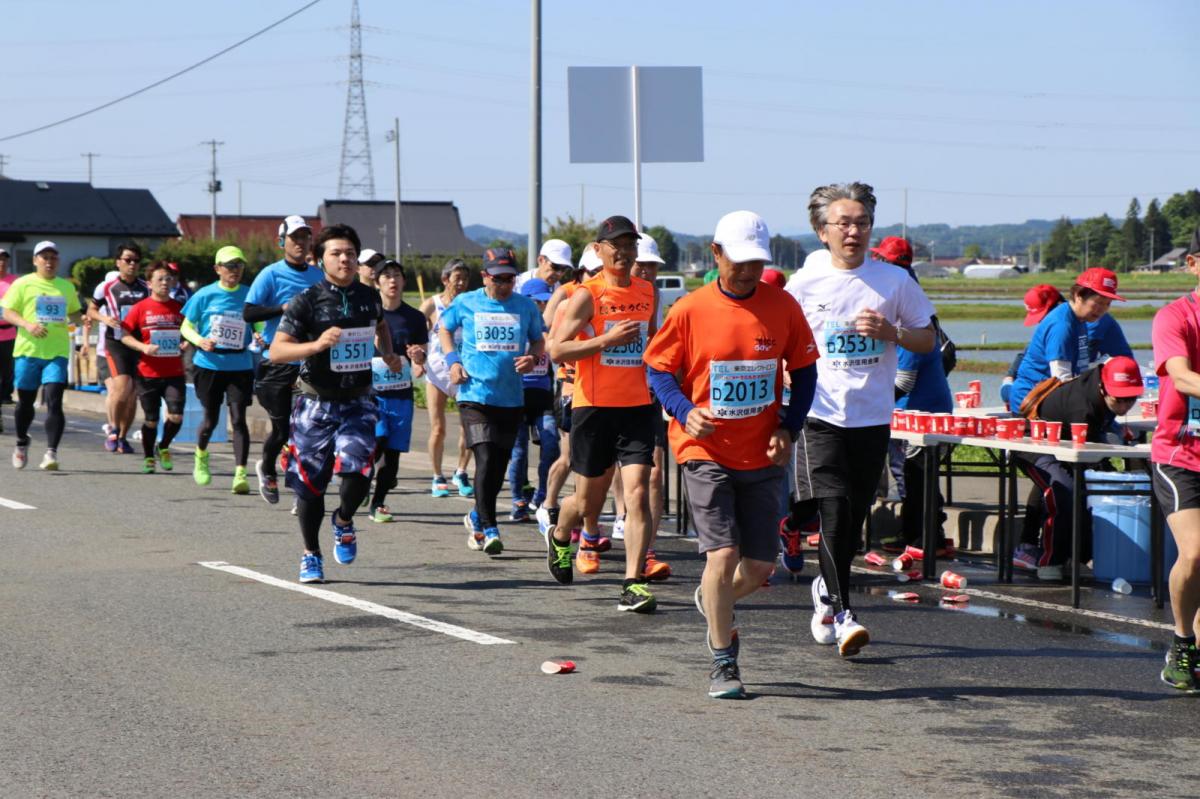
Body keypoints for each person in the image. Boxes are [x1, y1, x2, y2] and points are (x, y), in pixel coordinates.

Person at [646, 210, 818, 698]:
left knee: (761, 568)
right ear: (716, 254)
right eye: (738, 261)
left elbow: (804, 373)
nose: (747, 271)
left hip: (763, 451)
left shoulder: (782, 305)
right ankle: (724, 662)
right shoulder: (689, 310)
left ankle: (712, 597)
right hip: (704, 449)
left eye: (756, 263)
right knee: (722, 553)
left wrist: (788, 427)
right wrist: (684, 410)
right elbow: (658, 371)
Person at [784, 182, 936, 657]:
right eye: (843, 224)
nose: (854, 232)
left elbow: (928, 341)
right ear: (821, 231)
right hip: (820, 414)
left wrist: (892, 332)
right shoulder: (803, 283)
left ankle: (826, 595)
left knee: (852, 519)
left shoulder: (894, 282)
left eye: (862, 223)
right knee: (832, 511)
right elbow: (780, 341)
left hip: (872, 417)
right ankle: (846, 612)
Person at [270, 223, 401, 584]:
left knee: (358, 471)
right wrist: (315, 346)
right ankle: (311, 553)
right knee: (310, 485)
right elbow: (277, 350)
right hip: (316, 403)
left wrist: (387, 353)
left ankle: (343, 520)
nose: (344, 259)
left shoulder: (368, 297)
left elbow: (381, 326)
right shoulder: (306, 301)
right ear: (320, 259)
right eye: (336, 253)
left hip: (358, 401)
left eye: (350, 253)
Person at [546, 215, 659, 613]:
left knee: (639, 491)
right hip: (593, 408)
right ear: (599, 250)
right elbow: (557, 350)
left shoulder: (648, 290)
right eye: (617, 246)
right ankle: (562, 534)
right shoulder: (586, 296)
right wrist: (607, 340)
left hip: (638, 407)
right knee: (586, 502)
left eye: (631, 246)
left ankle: (633, 582)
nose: (625, 253)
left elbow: (653, 342)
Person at [439, 248, 545, 555]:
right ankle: (489, 526)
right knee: (484, 457)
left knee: (498, 466)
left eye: (510, 278)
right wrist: (453, 361)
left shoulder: (525, 306)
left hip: (511, 398)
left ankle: (475, 515)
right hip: (474, 394)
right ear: (485, 276)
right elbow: (445, 328)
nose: (505, 284)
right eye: (498, 278)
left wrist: (532, 356)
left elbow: (538, 338)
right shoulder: (467, 302)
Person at [1015, 356, 1144, 581]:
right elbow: (1091, 461)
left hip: (1064, 445)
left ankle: (1079, 556)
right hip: (1031, 442)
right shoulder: (1083, 407)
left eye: (1130, 399)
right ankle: (1050, 561)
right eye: (1119, 400)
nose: (1124, 407)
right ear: (1103, 388)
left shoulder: (1099, 388)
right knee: (1065, 490)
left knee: (1073, 485)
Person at [870, 238, 954, 556]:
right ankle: (914, 534)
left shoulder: (907, 305)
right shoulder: (900, 293)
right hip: (908, 410)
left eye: (881, 260)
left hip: (920, 411)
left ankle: (927, 538)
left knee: (914, 476)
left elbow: (904, 380)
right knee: (908, 474)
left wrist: (870, 400)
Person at [1150, 229, 1200, 692]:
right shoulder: (1175, 316)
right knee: (1197, 551)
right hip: (1180, 452)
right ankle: (1182, 643)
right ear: (1193, 264)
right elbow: (1181, 377)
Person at [244, 215, 323, 505]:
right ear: (282, 242)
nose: (301, 243)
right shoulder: (271, 274)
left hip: (309, 362)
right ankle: (266, 468)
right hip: (276, 362)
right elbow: (248, 313)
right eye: (295, 238)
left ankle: (301, 489)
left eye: (305, 237)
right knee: (282, 429)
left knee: (307, 428)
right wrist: (283, 308)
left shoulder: (318, 277)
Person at [1, 241, 82, 470]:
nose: (49, 261)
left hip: (56, 352)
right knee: (25, 403)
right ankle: (21, 441)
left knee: (55, 401)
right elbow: (7, 311)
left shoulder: (65, 287)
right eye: (44, 257)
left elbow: (74, 312)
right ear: (35, 260)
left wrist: (80, 319)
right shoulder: (22, 284)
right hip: (28, 351)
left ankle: (51, 453)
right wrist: (27, 324)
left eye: (53, 257)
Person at [181, 246, 255, 493]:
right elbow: (186, 327)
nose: (235, 270)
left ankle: (240, 474)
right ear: (217, 269)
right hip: (209, 364)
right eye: (229, 265)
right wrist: (200, 340)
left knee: (238, 418)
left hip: (240, 364)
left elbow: (261, 324)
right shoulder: (204, 295)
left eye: (239, 265)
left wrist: (261, 336)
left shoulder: (250, 295)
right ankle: (201, 455)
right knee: (211, 419)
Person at [1009, 268, 1127, 415]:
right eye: (1098, 303)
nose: (1102, 309)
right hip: (1033, 401)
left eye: (1107, 304)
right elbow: (1061, 380)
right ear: (1078, 295)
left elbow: (1080, 369)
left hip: (1051, 397)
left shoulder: (1081, 319)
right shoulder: (1062, 325)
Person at [367, 259, 427, 523]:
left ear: (404, 281)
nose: (392, 280)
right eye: (386, 276)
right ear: (377, 281)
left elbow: (420, 361)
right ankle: (359, 483)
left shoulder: (414, 317)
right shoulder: (368, 313)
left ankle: (377, 503)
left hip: (401, 394)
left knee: (392, 456)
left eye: (397, 276)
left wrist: (418, 356)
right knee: (376, 441)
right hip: (371, 393)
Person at [117, 262, 186, 474]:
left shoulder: (179, 307)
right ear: (149, 283)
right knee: (151, 420)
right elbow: (125, 335)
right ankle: (148, 456)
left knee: (176, 416)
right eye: (160, 279)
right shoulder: (140, 308)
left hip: (174, 371)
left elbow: (189, 332)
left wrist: (186, 343)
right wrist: (143, 347)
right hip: (148, 373)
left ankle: (163, 446)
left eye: (168, 279)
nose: (165, 283)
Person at [420, 259, 475, 498]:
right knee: (438, 428)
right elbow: (413, 328)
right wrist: (416, 357)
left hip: (464, 373)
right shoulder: (432, 305)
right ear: (445, 280)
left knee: (469, 428)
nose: (461, 283)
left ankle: (461, 472)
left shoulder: (471, 304)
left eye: (464, 278)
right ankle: (437, 475)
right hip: (437, 373)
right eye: (456, 278)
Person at [506, 278, 559, 522]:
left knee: (551, 445)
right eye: (537, 300)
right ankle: (517, 500)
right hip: (517, 397)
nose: (540, 305)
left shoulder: (547, 330)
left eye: (544, 301)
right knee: (518, 452)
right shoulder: (515, 327)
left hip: (543, 399)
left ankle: (541, 496)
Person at [88, 243, 149, 453]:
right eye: (127, 260)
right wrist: (105, 318)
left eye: (136, 261)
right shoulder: (107, 287)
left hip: (139, 345)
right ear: (118, 262)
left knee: (132, 394)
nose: (132, 264)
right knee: (121, 387)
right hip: (116, 343)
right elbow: (91, 309)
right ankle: (113, 429)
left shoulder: (146, 288)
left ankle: (123, 437)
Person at [0, 248, 16, 430]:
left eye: (4, 259)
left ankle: (6, 396)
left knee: (7, 373)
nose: (1, 263)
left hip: (9, 333)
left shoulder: (15, 282)